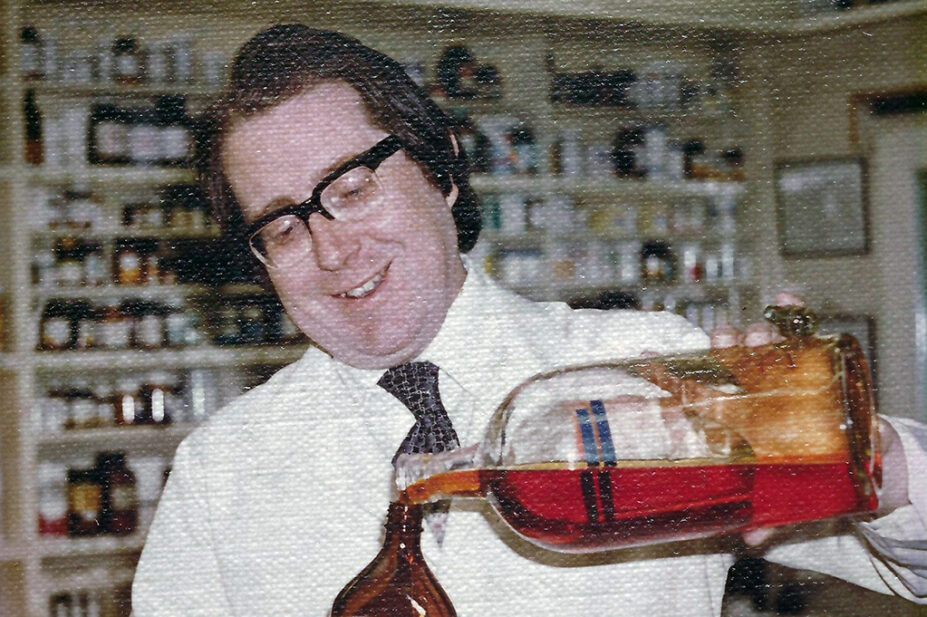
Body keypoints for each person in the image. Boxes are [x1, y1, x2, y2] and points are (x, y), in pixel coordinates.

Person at [132, 24, 927, 616]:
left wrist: (867, 451)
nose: (332, 250)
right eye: (281, 225)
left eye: (350, 189)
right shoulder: (220, 469)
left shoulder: (652, 366)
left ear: (439, 166)